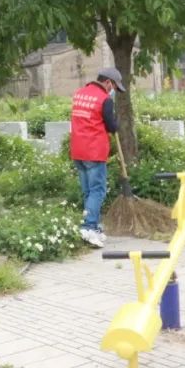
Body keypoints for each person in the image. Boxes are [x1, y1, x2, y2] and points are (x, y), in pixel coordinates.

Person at [69, 67, 126, 248]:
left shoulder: (79, 94)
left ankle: (93, 225)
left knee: (88, 191)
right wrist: (115, 122)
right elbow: (111, 126)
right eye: (114, 87)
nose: (113, 91)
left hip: (78, 150)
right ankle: (88, 227)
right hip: (94, 150)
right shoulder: (104, 99)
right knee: (98, 190)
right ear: (108, 82)